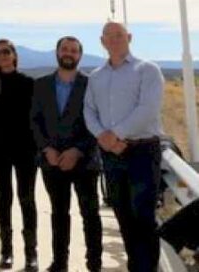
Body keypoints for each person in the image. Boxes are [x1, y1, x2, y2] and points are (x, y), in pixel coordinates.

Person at [83, 22, 164, 272]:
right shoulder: (96, 76)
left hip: (142, 151)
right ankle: (135, 267)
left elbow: (148, 109)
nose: (115, 40)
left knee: (144, 218)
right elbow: (89, 110)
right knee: (124, 216)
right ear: (102, 41)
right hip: (111, 155)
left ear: (129, 37)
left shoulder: (147, 70)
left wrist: (114, 134)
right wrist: (103, 137)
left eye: (119, 35)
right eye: (109, 36)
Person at [31, 36, 102, 272]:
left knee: (90, 214)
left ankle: (94, 264)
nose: (68, 53)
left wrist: (78, 150)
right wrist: (46, 148)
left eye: (73, 50)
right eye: (64, 49)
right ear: (57, 52)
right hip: (52, 162)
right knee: (59, 214)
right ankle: (60, 262)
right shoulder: (40, 85)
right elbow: (34, 122)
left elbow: (98, 123)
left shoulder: (92, 85)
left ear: (80, 55)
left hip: (84, 161)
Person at [0, 38, 38, 270]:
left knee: (26, 198)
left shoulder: (29, 83)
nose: (3, 56)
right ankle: (6, 252)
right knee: (3, 198)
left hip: (26, 149)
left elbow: (37, 117)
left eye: (7, 52)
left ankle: (31, 254)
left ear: (14, 55)